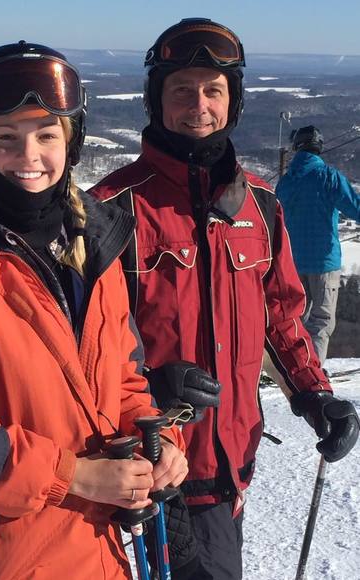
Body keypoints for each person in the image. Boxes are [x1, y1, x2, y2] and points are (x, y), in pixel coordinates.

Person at [0, 41, 191, 580]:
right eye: (6, 138)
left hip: (105, 552)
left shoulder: (95, 250)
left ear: (72, 143)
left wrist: (159, 441)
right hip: (9, 557)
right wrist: (75, 477)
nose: (29, 156)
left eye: (47, 136)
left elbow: (124, 380)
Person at [90, 18, 360, 579]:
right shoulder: (113, 208)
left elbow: (280, 318)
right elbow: (82, 347)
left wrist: (314, 394)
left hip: (231, 468)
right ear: (156, 100)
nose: (199, 105)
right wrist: (150, 385)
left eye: (213, 90)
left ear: (232, 101)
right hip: (148, 469)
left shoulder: (259, 205)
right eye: (181, 90)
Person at [276, 125, 360, 364]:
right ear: (319, 147)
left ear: (296, 147)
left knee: (295, 319)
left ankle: (293, 369)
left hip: (291, 262)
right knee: (321, 321)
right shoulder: (329, 177)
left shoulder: (286, 182)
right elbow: (355, 207)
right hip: (324, 261)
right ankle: (313, 372)